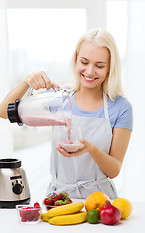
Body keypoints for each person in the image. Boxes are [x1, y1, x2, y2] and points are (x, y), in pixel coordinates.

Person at [0, 28, 133, 199]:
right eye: (84, 62)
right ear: (76, 59)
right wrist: (27, 82)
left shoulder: (121, 107)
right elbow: (4, 111)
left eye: (99, 65)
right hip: (59, 199)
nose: (90, 71)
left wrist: (90, 149)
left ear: (110, 68)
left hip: (100, 201)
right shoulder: (58, 98)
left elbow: (114, 169)